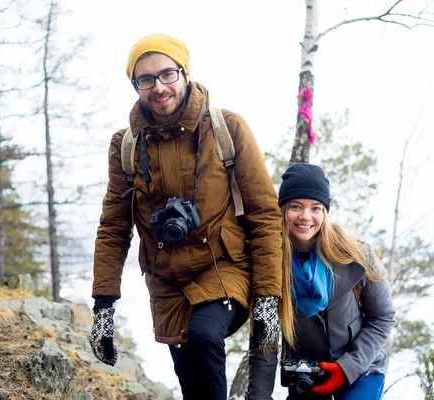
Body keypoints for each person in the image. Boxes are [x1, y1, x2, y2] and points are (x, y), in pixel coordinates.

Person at [89, 33, 290, 400]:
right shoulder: (126, 145)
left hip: (223, 265)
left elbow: (264, 216)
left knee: (204, 335)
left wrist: (266, 301)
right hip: (166, 280)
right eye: (145, 79)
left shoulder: (226, 128)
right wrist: (103, 306)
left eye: (167, 74)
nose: (158, 87)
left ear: (184, 73)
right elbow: (114, 228)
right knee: (191, 379)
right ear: (135, 85)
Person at [248, 163, 396, 400]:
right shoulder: (270, 265)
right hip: (306, 376)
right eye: (296, 206)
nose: (305, 216)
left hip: (360, 371)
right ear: (283, 210)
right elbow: (264, 341)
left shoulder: (356, 254)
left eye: (315, 208)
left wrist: (346, 368)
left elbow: (383, 317)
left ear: (324, 213)